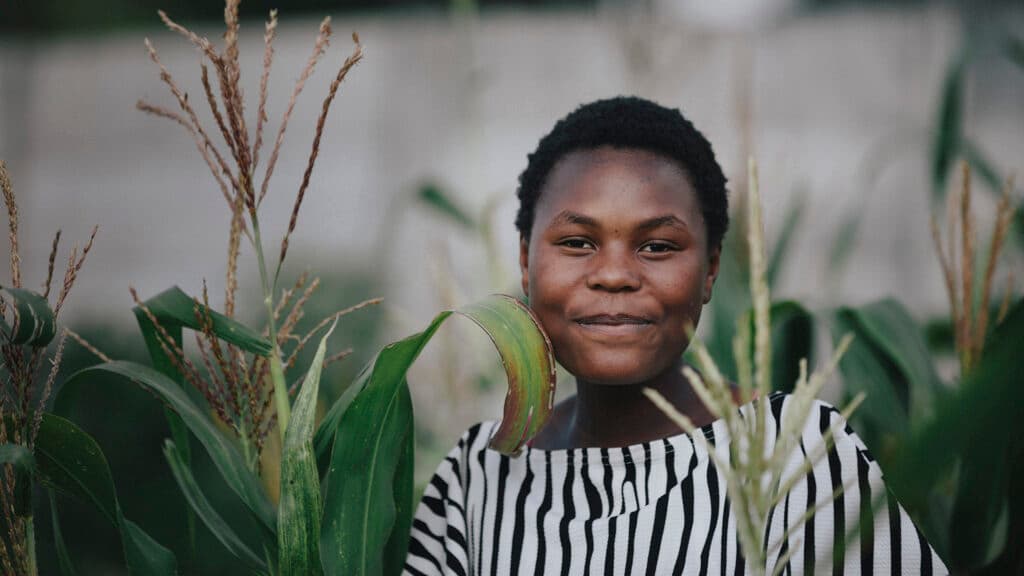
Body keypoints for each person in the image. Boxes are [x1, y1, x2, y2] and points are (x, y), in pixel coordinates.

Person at [403, 97, 945, 575]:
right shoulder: (480, 471)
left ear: (710, 270)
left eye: (657, 246)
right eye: (576, 242)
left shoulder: (797, 452)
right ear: (526, 261)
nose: (614, 275)